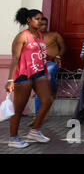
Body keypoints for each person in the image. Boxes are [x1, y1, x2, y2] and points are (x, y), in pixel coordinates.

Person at [5, 8, 54, 148]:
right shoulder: (22, 36)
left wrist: (52, 58)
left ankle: (34, 131)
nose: (40, 21)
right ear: (28, 20)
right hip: (24, 74)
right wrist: (10, 80)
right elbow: (15, 58)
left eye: (41, 19)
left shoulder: (40, 35)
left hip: (39, 73)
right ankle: (13, 138)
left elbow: (39, 52)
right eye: (37, 19)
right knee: (19, 108)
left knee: (48, 100)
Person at [28, 17, 66, 127]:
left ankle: (52, 89)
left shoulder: (54, 35)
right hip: (39, 64)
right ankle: (37, 116)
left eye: (46, 24)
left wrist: (58, 56)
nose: (44, 26)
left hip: (52, 63)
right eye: (42, 24)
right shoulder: (34, 37)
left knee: (47, 78)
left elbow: (63, 47)